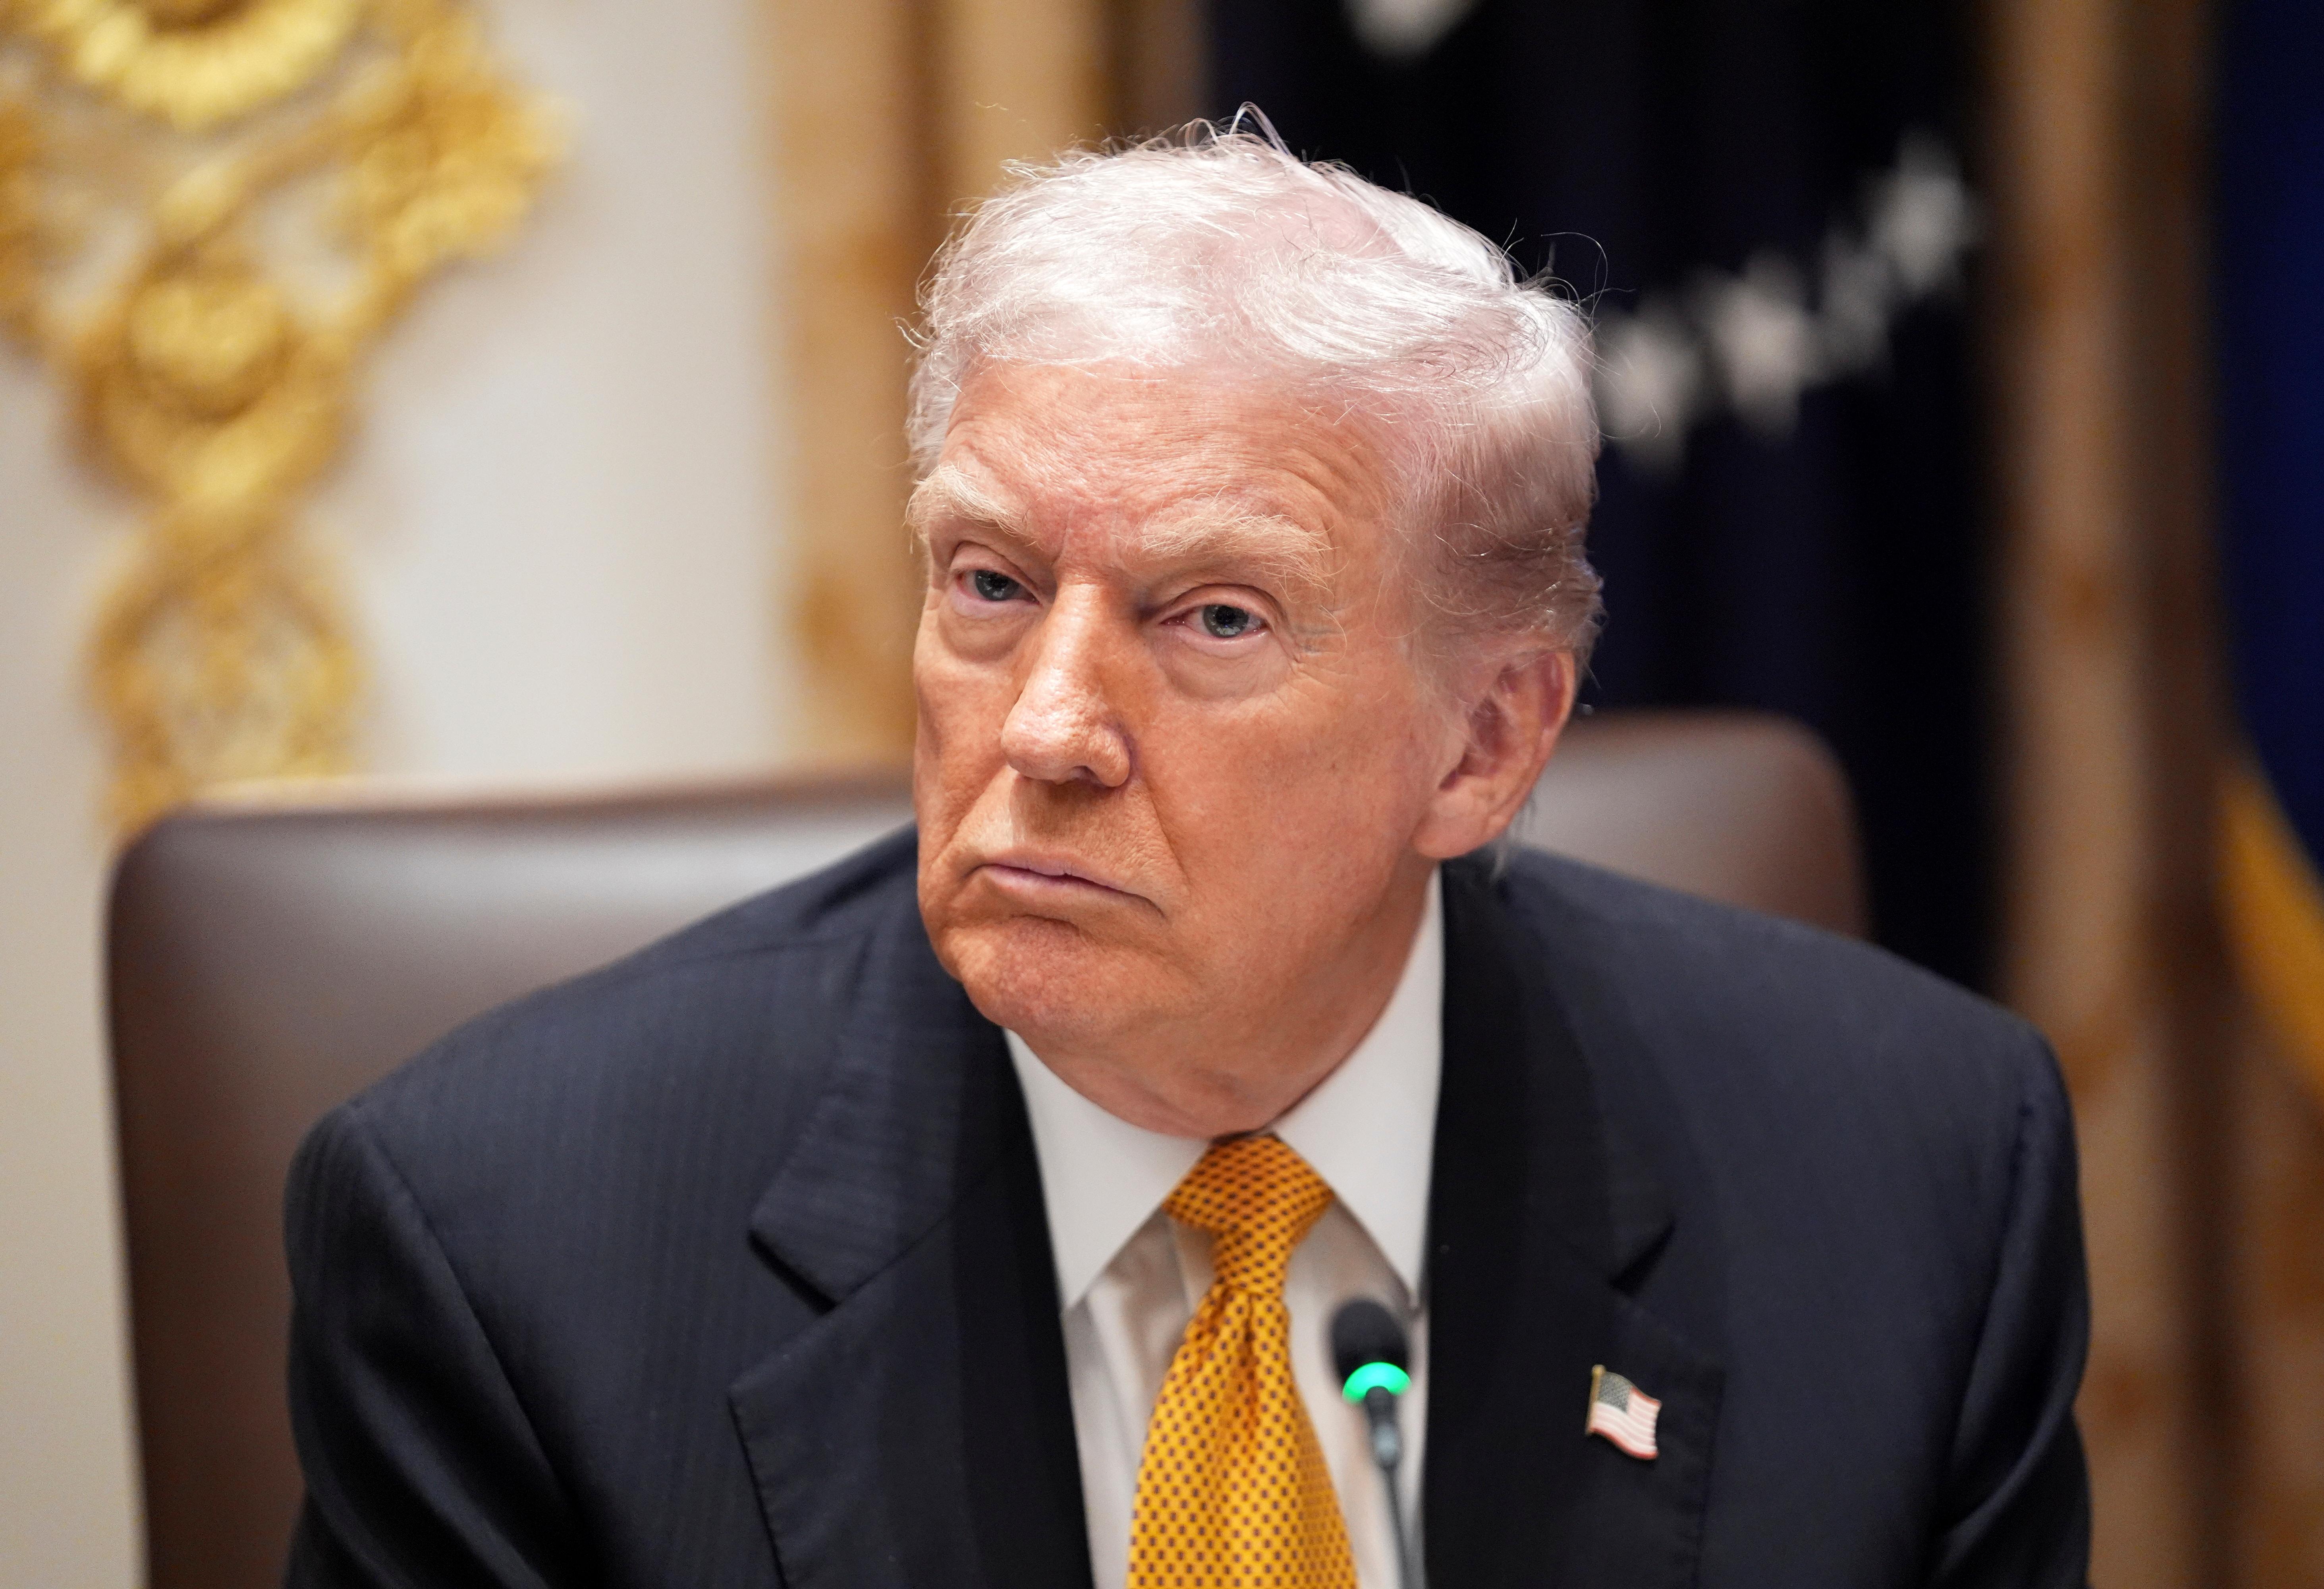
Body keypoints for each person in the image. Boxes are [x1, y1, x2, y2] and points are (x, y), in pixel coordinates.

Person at [283, 127, 2089, 1589]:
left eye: (1216, 616)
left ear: (1485, 743)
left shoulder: (1913, 1182)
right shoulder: (510, 1254)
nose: (1048, 726)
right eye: (990, 583)